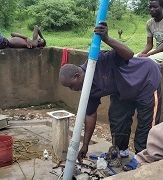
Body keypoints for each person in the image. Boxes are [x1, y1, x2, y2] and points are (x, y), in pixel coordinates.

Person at [59, 22, 161, 171]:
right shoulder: (88, 89)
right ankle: (120, 151)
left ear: (76, 76)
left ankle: (142, 159)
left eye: (70, 86)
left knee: (146, 125)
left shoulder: (100, 60)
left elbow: (129, 54)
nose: (72, 89)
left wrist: (107, 38)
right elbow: (90, 116)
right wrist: (85, 145)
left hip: (146, 80)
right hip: (123, 91)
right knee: (117, 118)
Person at [137, 0, 163, 64]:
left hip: (160, 51)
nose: (151, 9)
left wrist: (148, 55)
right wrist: (142, 53)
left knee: (147, 61)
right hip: (158, 51)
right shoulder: (149, 23)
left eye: (155, 7)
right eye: (150, 7)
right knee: (135, 58)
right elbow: (149, 44)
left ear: (161, 7)